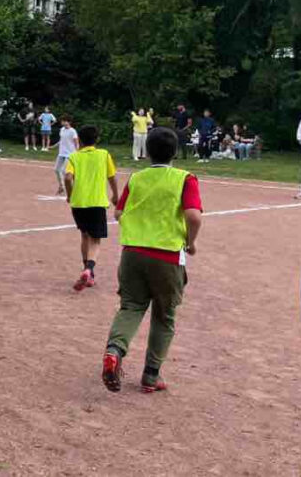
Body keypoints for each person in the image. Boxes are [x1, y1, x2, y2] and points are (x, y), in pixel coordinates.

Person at [101, 127, 203, 394]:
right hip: (166, 255)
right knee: (164, 315)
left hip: (132, 253)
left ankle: (114, 350)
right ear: (175, 153)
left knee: (131, 306)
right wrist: (190, 243)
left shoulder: (137, 178)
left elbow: (119, 212)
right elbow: (193, 216)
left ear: (147, 151)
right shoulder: (185, 178)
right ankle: (151, 375)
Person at [64, 125, 119, 291]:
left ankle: (86, 270)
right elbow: (112, 177)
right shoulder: (104, 155)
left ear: (79, 140)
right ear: (97, 140)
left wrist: (70, 194)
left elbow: (67, 177)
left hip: (79, 203)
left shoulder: (74, 157)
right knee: (95, 240)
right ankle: (89, 269)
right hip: (97, 203)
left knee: (84, 235)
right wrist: (116, 194)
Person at [55, 116, 79, 196]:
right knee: (56, 169)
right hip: (61, 153)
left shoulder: (73, 131)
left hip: (70, 154)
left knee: (64, 170)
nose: (63, 122)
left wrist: (77, 152)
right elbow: (61, 140)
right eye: (62, 121)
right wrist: (54, 146)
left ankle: (68, 188)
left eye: (65, 121)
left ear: (69, 122)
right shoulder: (62, 130)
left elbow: (76, 142)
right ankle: (61, 186)